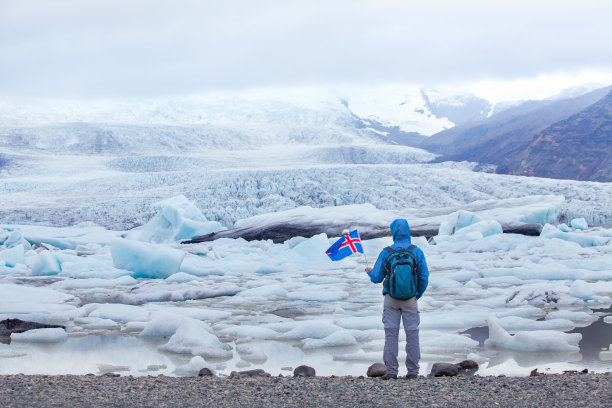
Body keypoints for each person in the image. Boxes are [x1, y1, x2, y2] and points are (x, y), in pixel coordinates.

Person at [366, 218, 429, 379]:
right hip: (410, 299)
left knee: (391, 335)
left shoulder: (387, 252)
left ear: (394, 232)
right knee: (412, 335)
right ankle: (413, 372)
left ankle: (392, 371)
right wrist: (415, 295)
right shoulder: (416, 251)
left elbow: (376, 278)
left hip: (391, 298)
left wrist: (369, 271)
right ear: (407, 231)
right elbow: (424, 277)